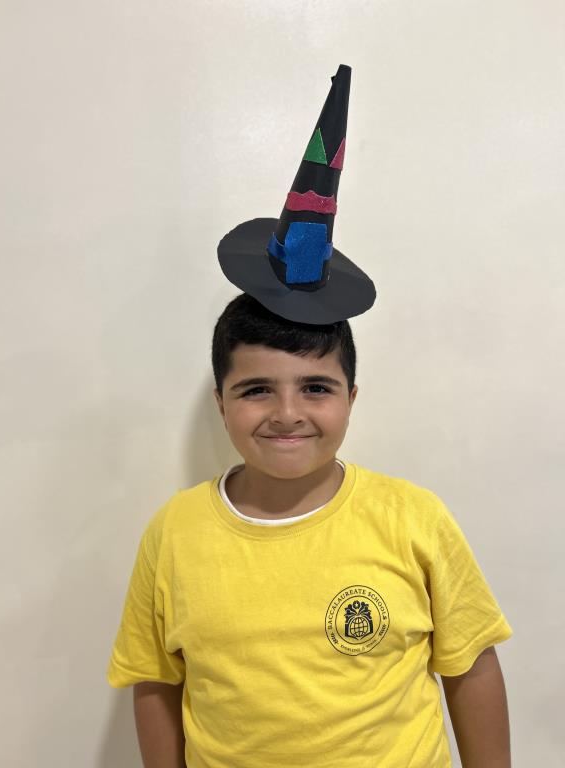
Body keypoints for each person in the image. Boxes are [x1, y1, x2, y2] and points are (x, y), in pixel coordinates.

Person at [107, 66, 512, 768]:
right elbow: (156, 681)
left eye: (316, 388)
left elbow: (469, 666)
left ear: (352, 398)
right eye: (256, 390)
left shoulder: (413, 520)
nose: (287, 414)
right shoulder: (174, 533)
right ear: (221, 402)